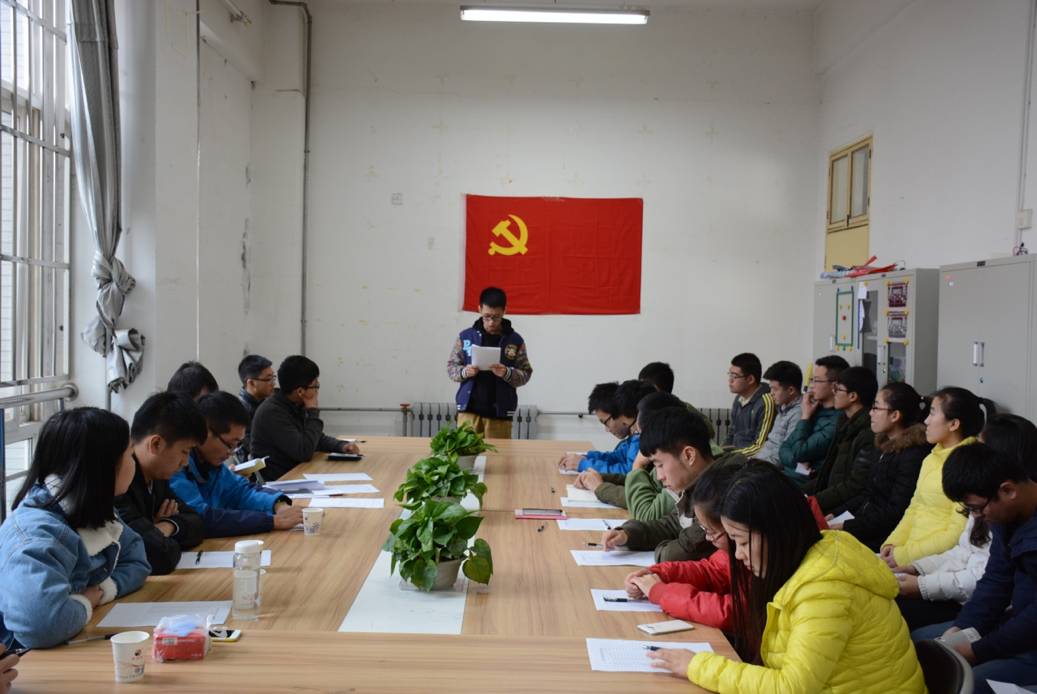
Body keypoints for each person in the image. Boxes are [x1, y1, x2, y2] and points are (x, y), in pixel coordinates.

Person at [649, 462, 926, 693]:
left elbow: (790, 687)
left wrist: (697, 666)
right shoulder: (806, 561)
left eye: (742, 543)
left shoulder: (824, 589)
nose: (738, 555)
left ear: (776, 531)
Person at [0, 408, 150, 649]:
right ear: (103, 466)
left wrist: (100, 592)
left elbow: (137, 561)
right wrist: (85, 602)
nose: (134, 463)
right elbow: (41, 626)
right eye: (130, 454)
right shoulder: (36, 535)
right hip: (24, 661)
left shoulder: (88, 507)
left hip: (68, 641)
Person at [897, 414, 1036, 632]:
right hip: (973, 600)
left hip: (986, 606)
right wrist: (918, 567)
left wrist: (923, 585)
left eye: (981, 449)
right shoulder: (987, 505)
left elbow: (992, 584)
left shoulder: (1000, 509)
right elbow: (973, 559)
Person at [918, 442, 1037, 693]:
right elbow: (996, 579)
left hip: (1030, 640)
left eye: (976, 509)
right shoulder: (1008, 516)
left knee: (962, 684)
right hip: (1017, 623)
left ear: (1008, 490)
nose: (975, 517)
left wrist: (979, 650)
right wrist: (964, 627)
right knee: (921, 645)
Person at [600, 406, 746, 563]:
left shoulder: (723, 491)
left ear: (688, 455)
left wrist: (661, 550)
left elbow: (678, 553)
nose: (659, 476)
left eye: (660, 465)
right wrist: (628, 534)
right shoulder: (698, 485)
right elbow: (672, 525)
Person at [621, 462, 743, 629]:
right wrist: (659, 574)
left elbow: (731, 612)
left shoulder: (750, 555)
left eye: (711, 531)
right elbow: (711, 571)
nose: (708, 538)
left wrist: (661, 593)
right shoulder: (734, 549)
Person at [170, 392, 304, 537]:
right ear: (205, 432)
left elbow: (241, 491)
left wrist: (278, 506)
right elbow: (201, 517)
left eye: (237, 445)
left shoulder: (212, 465)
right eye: (229, 444)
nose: (231, 452)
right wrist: (270, 521)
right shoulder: (176, 467)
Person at [881, 387, 986, 569]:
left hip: (934, 563)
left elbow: (956, 533)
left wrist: (904, 555)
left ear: (953, 424)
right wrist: (893, 543)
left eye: (932, 413)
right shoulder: (931, 458)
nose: (926, 421)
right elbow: (915, 506)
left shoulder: (968, 466)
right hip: (907, 554)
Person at [116, 392, 207, 575]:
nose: (186, 462)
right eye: (184, 451)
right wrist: (155, 535)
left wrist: (166, 526)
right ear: (156, 444)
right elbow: (158, 555)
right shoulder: (118, 483)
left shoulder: (157, 477)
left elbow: (197, 523)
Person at [833, 381, 929, 551]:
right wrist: (835, 514)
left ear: (895, 415)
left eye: (876, 408)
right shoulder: (883, 445)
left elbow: (895, 512)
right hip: (865, 524)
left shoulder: (912, 456)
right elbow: (867, 493)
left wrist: (846, 527)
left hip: (884, 538)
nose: (871, 413)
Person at [250, 355, 360, 480]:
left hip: (298, 473)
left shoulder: (294, 404)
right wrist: (312, 411)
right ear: (300, 392)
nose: (317, 391)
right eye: (315, 386)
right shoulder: (272, 412)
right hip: (282, 480)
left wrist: (341, 446)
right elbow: (304, 452)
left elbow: (314, 438)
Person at [578, 391, 683, 520]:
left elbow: (646, 510)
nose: (635, 437)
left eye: (639, 433)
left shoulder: (678, 464)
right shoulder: (666, 456)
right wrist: (600, 478)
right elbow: (648, 486)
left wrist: (637, 465)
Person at [447, 286, 532, 439]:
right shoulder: (466, 337)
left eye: (496, 317)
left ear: (504, 311)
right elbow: (451, 367)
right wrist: (465, 372)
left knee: (499, 454)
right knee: (465, 453)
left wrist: (507, 373)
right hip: (468, 412)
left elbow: (526, 373)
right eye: (486, 317)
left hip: (500, 415)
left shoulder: (515, 340)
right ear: (479, 309)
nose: (491, 322)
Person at [803, 366, 879, 515]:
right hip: (829, 499)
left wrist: (814, 501)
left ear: (853, 396)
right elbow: (828, 474)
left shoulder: (868, 433)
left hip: (841, 510)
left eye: (838, 389)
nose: (834, 393)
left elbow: (855, 485)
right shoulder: (844, 422)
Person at [559, 380, 655, 474]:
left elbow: (629, 473)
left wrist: (584, 465)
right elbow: (618, 457)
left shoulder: (643, 436)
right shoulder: (635, 435)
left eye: (605, 422)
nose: (606, 429)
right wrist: (587, 458)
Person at [779, 355, 848, 484]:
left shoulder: (838, 419)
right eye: (811, 380)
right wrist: (797, 463)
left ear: (834, 386)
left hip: (804, 485)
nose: (811, 386)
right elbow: (783, 448)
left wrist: (805, 417)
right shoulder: (813, 409)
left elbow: (799, 452)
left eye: (816, 380)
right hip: (786, 477)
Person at [638, 361, 716, 441]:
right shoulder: (640, 408)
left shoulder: (681, 408)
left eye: (646, 389)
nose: (641, 392)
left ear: (659, 391)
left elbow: (710, 430)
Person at [724, 353, 775, 457]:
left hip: (753, 460)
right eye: (730, 375)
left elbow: (760, 446)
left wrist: (728, 456)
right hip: (737, 456)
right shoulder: (739, 398)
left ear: (750, 379)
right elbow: (732, 434)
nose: (730, 380)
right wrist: (719, 452)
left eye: (734, 376)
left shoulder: (766, 402)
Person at [756, 360, 803, 465]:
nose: (771, 393)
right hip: (760, 461)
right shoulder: (783, 407)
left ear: (791, 390)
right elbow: (770, 444)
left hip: (770, 467)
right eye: (770, 389)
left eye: (775, 389)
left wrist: (756, 465)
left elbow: (784, 453)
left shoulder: (798, 413)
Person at [237, 354, 275, 457]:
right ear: (251, 383)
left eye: (273, 378)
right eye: (268, 379)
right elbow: (254, 447)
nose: (273, 383)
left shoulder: (266, 403)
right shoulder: (239, 411)